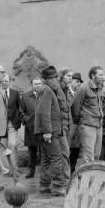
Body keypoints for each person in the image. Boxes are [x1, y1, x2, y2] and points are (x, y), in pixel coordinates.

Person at [35, 65, 68, 196]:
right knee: (56, 157)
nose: (56, 80)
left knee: (47, 159)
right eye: (53, 78)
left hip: (48, 130)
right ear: (45, 79)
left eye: (56, 78)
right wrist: (48, 131)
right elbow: (44, 112)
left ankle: (44, 185)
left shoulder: (46, 89)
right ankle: (58, 186)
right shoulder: (47, 90)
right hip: (50, 131)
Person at [72, 66, 105, 165]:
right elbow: (75, 106)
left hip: (99, 125)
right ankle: (87, 179)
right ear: (93, 76)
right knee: (88, 156)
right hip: (87, 125)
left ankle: (93, 177)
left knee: (96, 155)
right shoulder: (84, 88)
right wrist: (80, 121)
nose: (103, 77)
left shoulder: (99, 89)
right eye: (100, 75)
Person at [0, 74, 21, 177]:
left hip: (12, 123)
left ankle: (14, 169)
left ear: (9, 81)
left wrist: (18, 121)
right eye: (3, 81)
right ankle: (6, 170)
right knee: (3, 147)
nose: (4, 82)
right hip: (0, 125)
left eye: (6, 81)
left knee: (13, 145)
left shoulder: (15, 93)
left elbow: (19, 107)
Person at [19, 77, 41, 178]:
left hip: (43, 127)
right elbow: (20, 111)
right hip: (31, 128)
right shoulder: (25, 96)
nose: (38, 86)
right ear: (32, 85)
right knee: (32, 150)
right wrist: (26, 120)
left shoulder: (46, 95)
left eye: (39, 84)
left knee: (44, 150)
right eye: (36, 84)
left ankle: (44, 171)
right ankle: (31, 170)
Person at [68, 72, 83, 173]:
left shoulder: (80, 94)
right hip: (68, 125)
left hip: (78, 125)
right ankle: (65, 170)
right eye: (76, 81)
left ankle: (72, 169)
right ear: (71, 82)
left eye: (79, 82)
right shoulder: (65, 93)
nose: (78, 84)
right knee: (66, 148)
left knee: (76, 149)